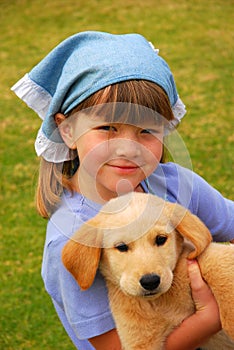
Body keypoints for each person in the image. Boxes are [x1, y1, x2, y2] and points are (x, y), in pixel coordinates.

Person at [11, 31, 234, 350]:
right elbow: (115, 347)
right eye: (107, 128)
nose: (128, 148)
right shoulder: (71, 236)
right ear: (68, 129)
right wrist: (211, 316)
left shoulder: (172, 184)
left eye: (146, 131)